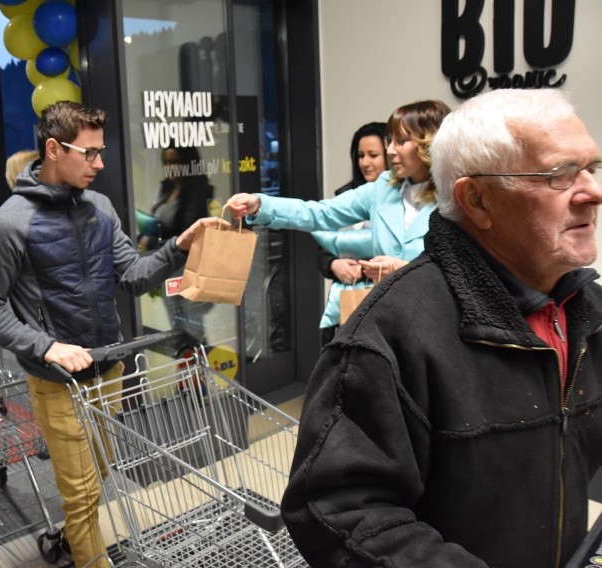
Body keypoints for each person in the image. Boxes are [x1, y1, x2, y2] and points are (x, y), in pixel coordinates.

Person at [279, 88, 602, 567]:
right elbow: (339, 511)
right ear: (477, 199)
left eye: (592, 167)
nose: (593, 191)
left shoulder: (584, 311)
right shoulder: (387, 337)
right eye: (558, 174)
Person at [0, 101, 222, 568]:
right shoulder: (9, 224)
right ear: (52, 149)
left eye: (100, 151)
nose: (100, 164)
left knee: (98, 472)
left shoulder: (100, 208)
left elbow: (133, 275)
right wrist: (46, 347)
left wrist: (179, 245)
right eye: (90, 154)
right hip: (58, 380)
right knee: (82, 494)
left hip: (110, 368)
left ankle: (72, 537)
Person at [228, 99, 449, 308]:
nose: (390, 150)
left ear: (428, 144)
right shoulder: (382, 188)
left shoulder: (456, 198)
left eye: (401, 141)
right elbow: (319, 213)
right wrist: (259, 204)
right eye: (389, 141)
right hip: (388, 317)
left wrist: (403, 269)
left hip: (435, 321)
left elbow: (466, 272)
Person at [313, 122, 388, 346]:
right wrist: (333, 265)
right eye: (360, 155)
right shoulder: (344, 197)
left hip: (385, 297)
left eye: (373, 155)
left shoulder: (401, 203)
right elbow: (324, 249)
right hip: (344, 298)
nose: (365, 162)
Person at [139, 146, 215, 341]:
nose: (170, 167)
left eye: (174, 162)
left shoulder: (197, 191)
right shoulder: (167, 188)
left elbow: (188, 230)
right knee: (177, 325)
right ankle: (187, 367)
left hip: (190, 267)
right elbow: (158, 219)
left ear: (186, 163)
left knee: (193, 327)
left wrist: (155, 233)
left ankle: (199, 368)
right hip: (168, 267)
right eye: (166, 163)